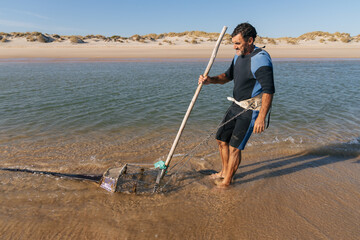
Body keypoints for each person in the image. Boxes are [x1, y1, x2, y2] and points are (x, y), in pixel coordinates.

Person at [198, 23, 275, 188]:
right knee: (221, 139)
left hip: (250, 110)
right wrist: (210, 80)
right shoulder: (238, 56)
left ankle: (227, 183)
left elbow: (269, 90)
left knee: (235, 148)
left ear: (250, 40)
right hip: (235, 105)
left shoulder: (260, 59)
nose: (234, 47)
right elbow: (227, 76)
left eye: (238, 43)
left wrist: (261, 117)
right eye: (233, 43)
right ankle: (224, 171)